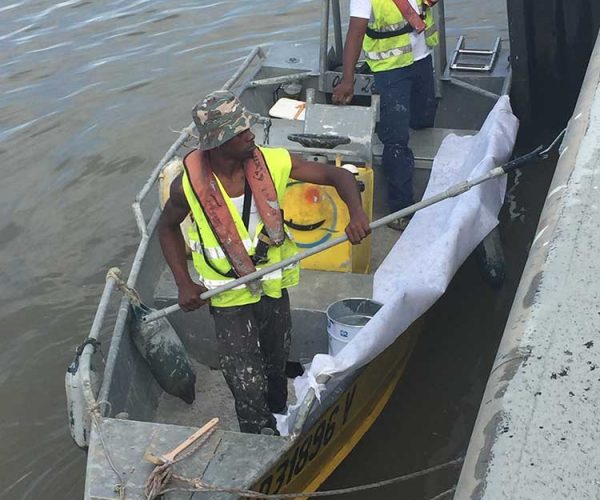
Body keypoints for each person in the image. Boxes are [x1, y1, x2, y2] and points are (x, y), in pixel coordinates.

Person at [158, 90, 371, 434]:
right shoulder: (189, 186)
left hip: (272, 286)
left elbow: (339, 177)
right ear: (217, 143)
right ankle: (257, 434)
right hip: (228, 296)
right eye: (240, 132)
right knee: (244, 377)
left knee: (275, 364)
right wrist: (183, 282)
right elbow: (166, 228)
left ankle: (279, 416)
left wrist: (356, 213)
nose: (251, 135)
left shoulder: (273, 162)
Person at [332, 0, 439, 231]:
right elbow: (355, 33)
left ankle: (387, 126)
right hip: (390, 69)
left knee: (424, 120)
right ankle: (401, 210)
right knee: (397, 140)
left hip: (421, 60)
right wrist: (347, 80)